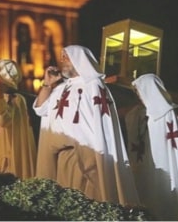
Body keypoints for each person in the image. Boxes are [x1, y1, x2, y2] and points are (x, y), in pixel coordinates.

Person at [32, 44, 140, 207]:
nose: (62, 61)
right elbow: (40, 109)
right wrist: (47, 84)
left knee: (85, 204)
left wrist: (91, 157)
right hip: (61, 157)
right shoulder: (60, 89)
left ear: (79, 59)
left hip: (86, 159)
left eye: (65, 56)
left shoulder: (94, 86)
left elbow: (98, 123)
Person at [125, 73, 178, 220]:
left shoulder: (166, 115)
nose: (139, 97)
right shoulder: (151, 116)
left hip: (166, 169)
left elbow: (168, 149)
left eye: (140, 92)